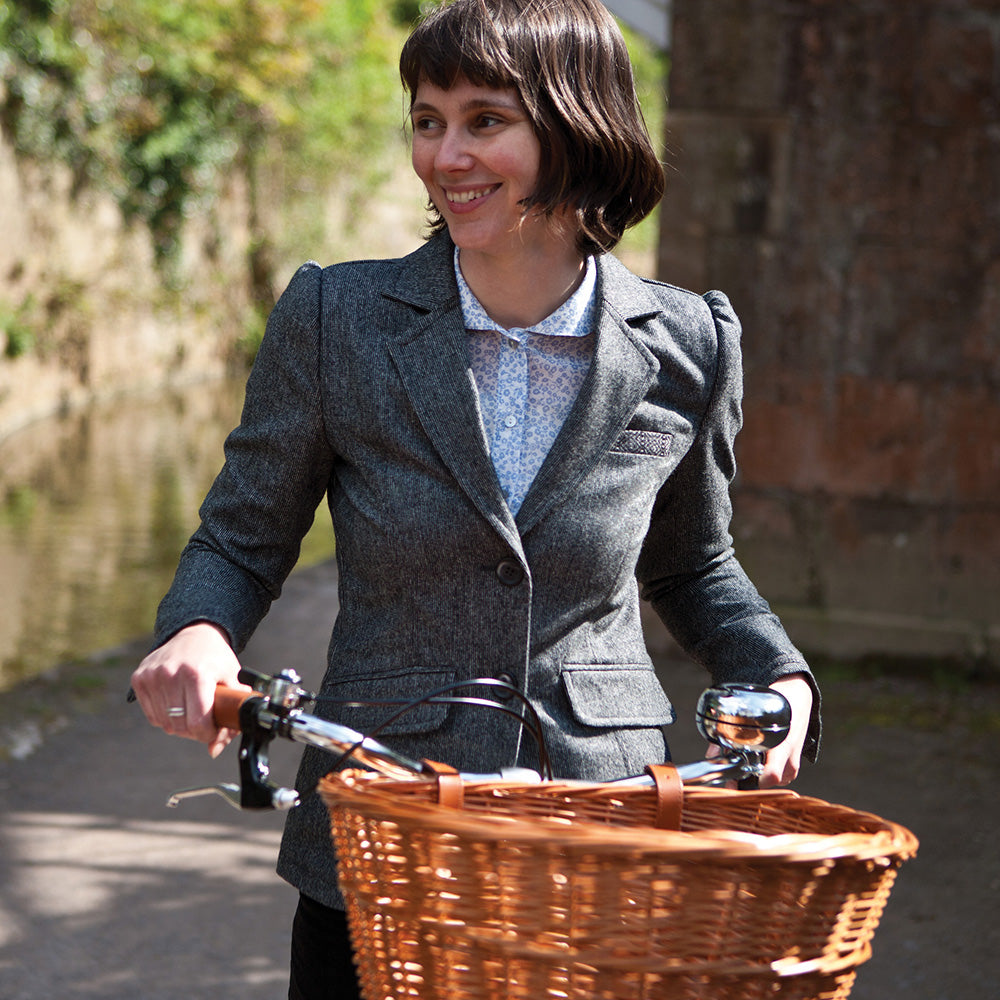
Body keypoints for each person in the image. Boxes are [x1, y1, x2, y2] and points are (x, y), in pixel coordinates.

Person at [130, 1, 820, 997]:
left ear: (575, 125)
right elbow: (241, 539)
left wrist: (780, 678)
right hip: (377, 826)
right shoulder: (337, 317)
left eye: (483, 120)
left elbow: (693, 564)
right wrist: (197, 629)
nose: (444, 154)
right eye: (426, 120)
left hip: (604, 822)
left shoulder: (690, 343)